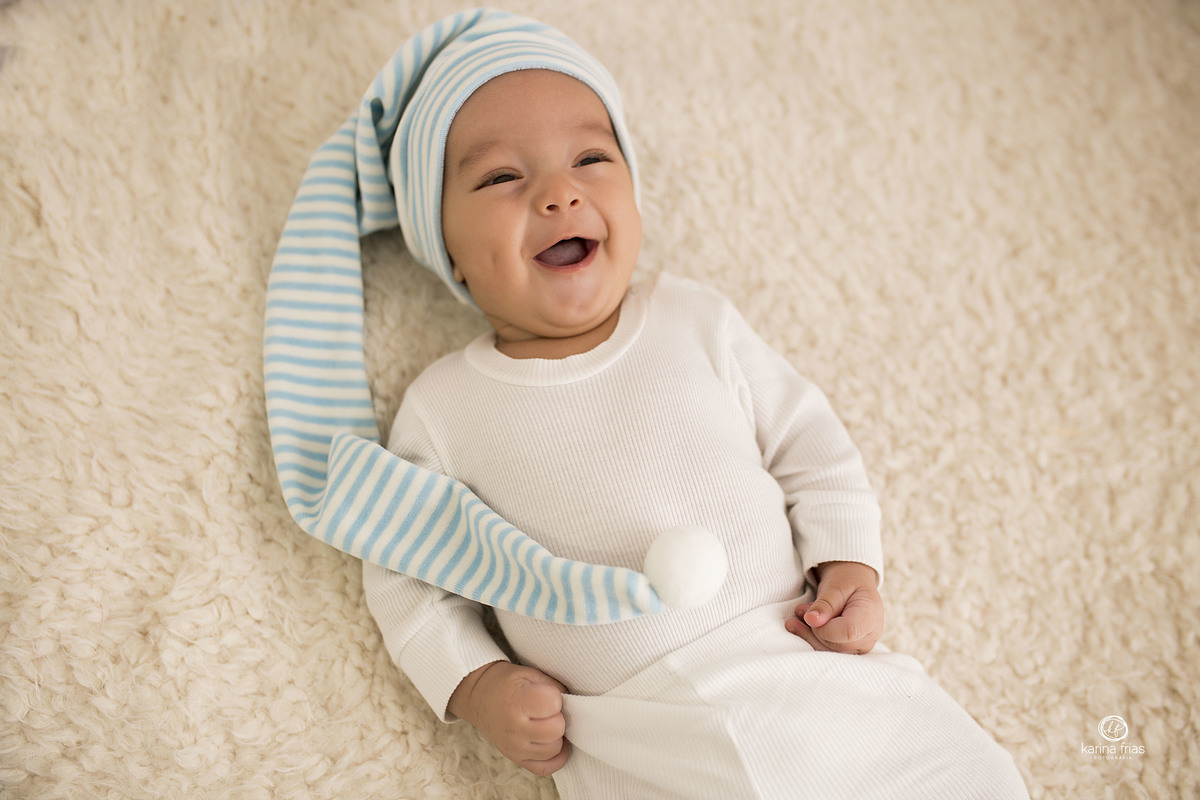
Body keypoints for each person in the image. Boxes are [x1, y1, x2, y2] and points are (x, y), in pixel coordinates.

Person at [355, 13, 1029, 799]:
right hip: (634, 733)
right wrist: (474, 683)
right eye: (502, 177)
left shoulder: (691, 319)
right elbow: (404, 579)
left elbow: (808, 444)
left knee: (955, 773)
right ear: (449, 252)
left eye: (591, 158)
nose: (559, 193)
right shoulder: (444, 407)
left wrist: (849, 564)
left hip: (799, 662)